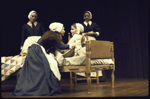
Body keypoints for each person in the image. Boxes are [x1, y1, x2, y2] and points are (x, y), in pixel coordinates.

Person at [11, 22, 72, 96]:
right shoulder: (52, 36)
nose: (64, 30)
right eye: (63, 29)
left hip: (36, 50)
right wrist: (70, 46)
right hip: (36, 51)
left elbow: (54, 46)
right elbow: (58, 45)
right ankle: (40, 88)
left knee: (45, 66)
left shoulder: (53, 35)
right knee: (44, 67)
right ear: (58, 30)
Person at [82, 11, 106, 82]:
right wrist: (85, 34)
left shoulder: (94, 24)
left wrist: (94, 33)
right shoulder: (82, 24)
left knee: (94, 55)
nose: (86, 17)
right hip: (85, 40)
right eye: (85, 16)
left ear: (90, 17)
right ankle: (85, 76)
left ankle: (99, 76)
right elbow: (80, 32)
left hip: (92, 40)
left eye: (88, 16)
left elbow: (99, 32)